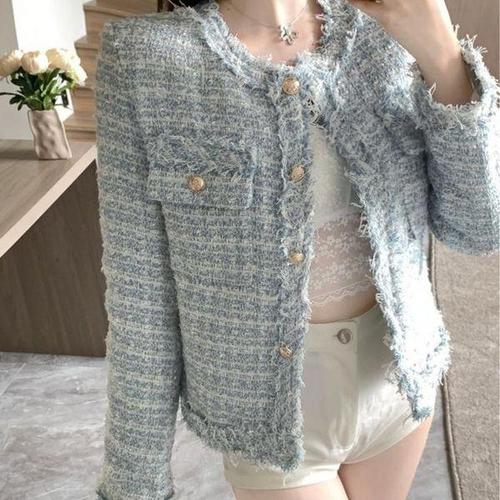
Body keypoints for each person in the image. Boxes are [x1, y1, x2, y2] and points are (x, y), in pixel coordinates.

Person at [93, 0, 499, 499]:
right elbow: (140, 294)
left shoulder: (386, 30)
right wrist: (135, 482)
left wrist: (443, 57)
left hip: (399, 387)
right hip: (272, 421)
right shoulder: (146, 58)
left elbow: (478, 229)